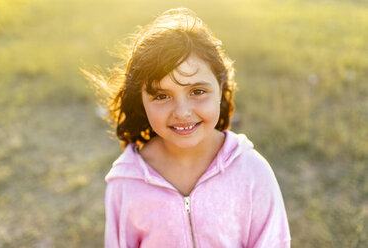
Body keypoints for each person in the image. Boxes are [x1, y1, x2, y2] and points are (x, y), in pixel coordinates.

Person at [84, 7, 291, 248]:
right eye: (161, 96)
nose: (182, 112)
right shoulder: (126, 183)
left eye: (197, 91)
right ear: (140, 101)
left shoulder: (252, 172)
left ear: (220, 89)